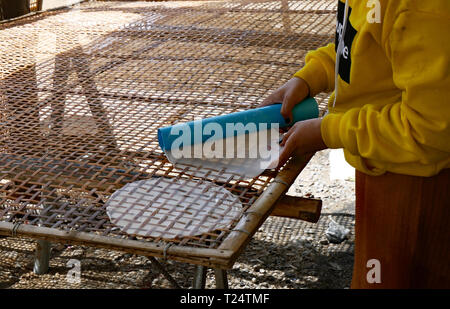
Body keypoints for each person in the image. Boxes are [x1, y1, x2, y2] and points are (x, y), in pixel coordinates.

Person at [260, 0, 450, 288]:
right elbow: (358, 45)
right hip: (382, 155)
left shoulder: (423, 9)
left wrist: (328, 131)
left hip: (416, 181)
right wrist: (310, 77)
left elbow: (430, 130)